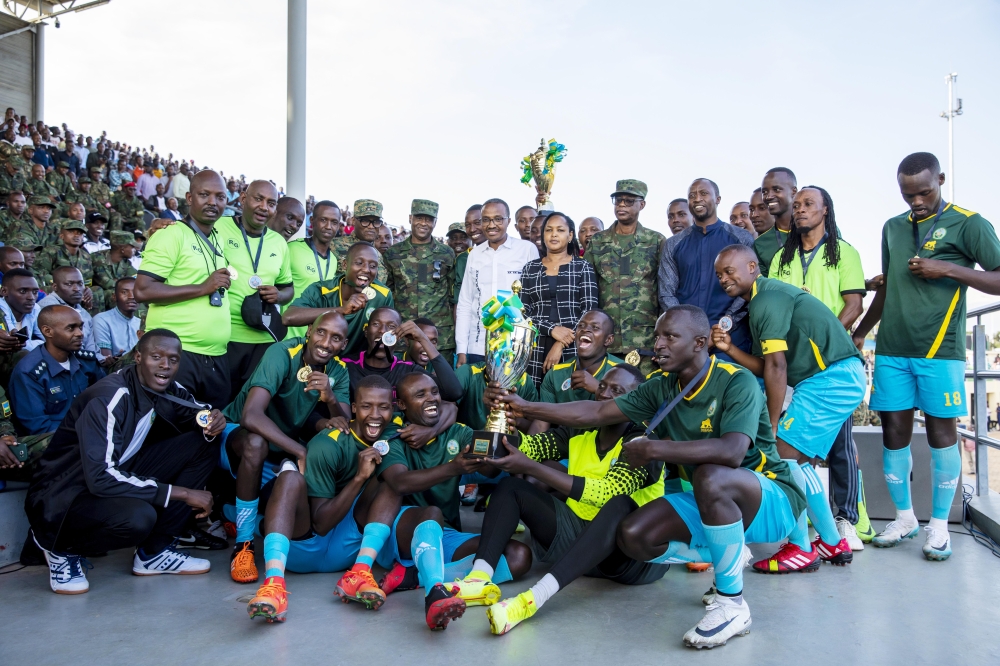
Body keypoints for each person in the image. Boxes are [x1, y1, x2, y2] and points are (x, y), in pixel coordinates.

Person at [497, 306, 804, 647]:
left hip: (770, 499)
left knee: (710, 476)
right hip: (709, 501)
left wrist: (655, 450)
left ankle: (732, 605)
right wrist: (525, 407)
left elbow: (731, 452)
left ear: (700, 343)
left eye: (670, 336)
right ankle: (728, 556)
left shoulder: (736, 381)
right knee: (633, 536)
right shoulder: (661, 386)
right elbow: (597, 412)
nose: (658, 345)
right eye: (658, 336)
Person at [852, 152, 1000, 560]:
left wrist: (947, 269)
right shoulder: (893, 227)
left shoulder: (969, 223)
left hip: (940, 349)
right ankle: (904, 518)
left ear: (941, 179)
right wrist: (862, 332)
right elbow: (888, 286)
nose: (915, 201)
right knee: (893, 432)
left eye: (923, 192)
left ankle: (939, 526)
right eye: (907, 194)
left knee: (940, 434)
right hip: (893, 348)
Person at [449, 364, 668, 617]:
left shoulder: (644, 442)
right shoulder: (582, 429)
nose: (605, 394)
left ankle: (535, 597)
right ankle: (479, 578)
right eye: (603, 386)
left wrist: (531, 467)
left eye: (617, 390)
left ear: (637, 400)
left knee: (619, 504)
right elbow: (532, 446)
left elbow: (605, 493)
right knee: (511, 487)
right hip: (578, 542)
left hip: (628, 557)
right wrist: (496, 426)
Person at [25, 329, 225, 594]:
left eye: (173, 359)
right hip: (65, 494)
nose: (165, 365)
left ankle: (154, 553)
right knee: (137, 519)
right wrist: (184, 493)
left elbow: (197, 411)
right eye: (156, 357)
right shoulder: (109, 397)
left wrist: (214, 419)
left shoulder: (165, 387)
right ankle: (59, 547)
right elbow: (100, 477)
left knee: (202, 443)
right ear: (138, 357)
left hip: (113, 474)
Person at [333, 373, 531, 628]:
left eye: (434, 392)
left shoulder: (457, 432)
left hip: (443, 533)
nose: (432, 399)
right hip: (398, 532)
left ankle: (413, 575)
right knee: (432, 512)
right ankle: (434, 593)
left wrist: (500, 433)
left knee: (518, 555)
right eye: (420, 394)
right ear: (401, 406)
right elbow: (399, 483)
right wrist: (454, 467)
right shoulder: (392, 435)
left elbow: (490, 470)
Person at [712, 244, 865, 573]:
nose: (723, 279)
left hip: (830, 378)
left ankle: (800, 548)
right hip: (833, 378)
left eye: (730, 271)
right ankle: (830, 541)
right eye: (719, 275)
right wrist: (729, 349)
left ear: (753, 266)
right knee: (799, 462)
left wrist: (770, 424)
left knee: (778, 456)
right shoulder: (761, 299)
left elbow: (778, 368)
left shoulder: (767, 298)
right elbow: (766, 364)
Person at [767, 186, 873, 548]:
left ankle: (844, 520)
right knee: (800, 452)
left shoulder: (844, 252)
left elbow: (854, 306)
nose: (800, 210)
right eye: (796, 205)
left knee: (840, 446)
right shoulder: (782, 258)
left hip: (829, 364)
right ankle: (814, 526)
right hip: (794, 365)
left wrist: (824, 343)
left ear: (825, 209)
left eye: (808, 204)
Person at [221, 311, 352, 583]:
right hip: (236, 435)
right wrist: (300, 451)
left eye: (336, 338)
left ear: (344, 345)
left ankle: (233, 514)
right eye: (321, 332)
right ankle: (243, 545)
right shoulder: (281, 352)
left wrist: (329, 397)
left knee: (287, 504)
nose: (326, 342)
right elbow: (251, 416)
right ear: (308, 331)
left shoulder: (338, 370)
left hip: (280, 449)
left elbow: (345, 424)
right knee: (256, 445)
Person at [134, 169, 233, 405]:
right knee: (172, 433)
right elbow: (143, 290)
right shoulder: (171, 235)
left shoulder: (218, 236)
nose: (212, 202)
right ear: (189, 198)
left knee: (210, 432)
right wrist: (202, 288)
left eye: (220, 197)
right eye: (204, 195)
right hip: (177, 355)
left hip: (215, 356)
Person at [659, 179, 755, 364]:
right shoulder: (673, 244)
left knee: (729, 389)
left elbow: (749, 288)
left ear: (717, 199)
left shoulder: (741, 238)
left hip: (731, 338)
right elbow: (666, 293)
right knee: (687, 391)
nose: (697, 199)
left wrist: (722, 327)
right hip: (686, 341)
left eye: (703, 193)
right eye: (692, 195)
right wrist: (687, 329)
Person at [215, 180, 293, 398]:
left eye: (271, 203)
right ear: (242, 198)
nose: (264, 207)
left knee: (250, 407)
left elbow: (288, 288)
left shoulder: (278, 242)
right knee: (221, 404)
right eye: (258, 199)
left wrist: (278, 295)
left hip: (264, 339)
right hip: (224, 337)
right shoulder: (218, 227)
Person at [583, 180, 664, 374]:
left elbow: (664, 289)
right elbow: (586, 288)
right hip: (606, 340)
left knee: (645, 397)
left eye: (628, 201)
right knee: (605, 396)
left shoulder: (655, 241)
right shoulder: (598, 241)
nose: (621, 205)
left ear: (641, 204)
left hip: (644, 341)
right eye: (618, 200)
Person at [455, 198, 539, 366]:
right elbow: (465, 303)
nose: (491, 225)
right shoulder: (474, 254)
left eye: (498, 219)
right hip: (477, 346)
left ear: (508, 221)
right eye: (486, 220)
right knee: (477, 392)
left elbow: (536, 300)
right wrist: (462, 350)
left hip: (513, 344)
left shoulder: (526, 250)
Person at [519, 213, 598, 387]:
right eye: (549, 230)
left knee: (568, 396)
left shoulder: (582, 267)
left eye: (560, 230)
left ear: (570, 236)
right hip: (535, 344)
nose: (554, 234)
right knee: (533, 398)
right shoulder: (530, 268)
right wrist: (551, 329)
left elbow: (590, 313)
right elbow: (521, 312)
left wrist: (560, 344)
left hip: (574, 344)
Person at [283, 243, 393, 358]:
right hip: (320, 359)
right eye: (359, 263)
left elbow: (388, 335)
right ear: (345, 265)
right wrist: (340, 310)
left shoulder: (383, 295)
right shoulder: (322, 290)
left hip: (357, 366)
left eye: (373, 266)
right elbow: (288, 318)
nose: (366, 269)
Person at [9, 305, 105, 435]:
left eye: (80, 327)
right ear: (48, 331)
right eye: (70, 328)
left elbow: (105, 396)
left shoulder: (86, 361)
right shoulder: (29, 372)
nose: (80, 333)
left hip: (89, 429)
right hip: (55, 439)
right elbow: (37, 426)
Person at [384, 199, 457, 361]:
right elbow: (387, 293)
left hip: (439, 336)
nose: (423, 223)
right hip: (403, 335)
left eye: (429, 219)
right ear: (410, 218)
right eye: (419, 218)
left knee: (438, 382)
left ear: (435, 222)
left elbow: (453, 296)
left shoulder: (446, 253)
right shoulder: (393, 253)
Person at [536, 309, 622, 413]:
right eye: (581, 325)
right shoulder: (555, 374)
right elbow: (542, 423)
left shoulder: (622, 372)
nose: (585, 329)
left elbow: (631, 415)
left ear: (608, 340)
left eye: (595, 327)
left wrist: (599, 389)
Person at [285, 199, 337, 339]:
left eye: (334, 222)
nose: (328, 226)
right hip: (288, 335)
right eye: (323, 220)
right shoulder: (292, 249)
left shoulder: (334, 260)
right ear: (312, 221)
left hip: (317, 340)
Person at [35, 219, 104, 314]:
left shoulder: (86, 255)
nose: (76, 235)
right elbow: (40, 275)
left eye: (79, 233)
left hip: (79, 291)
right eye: (72, 232)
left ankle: (91, 323)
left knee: (96, 291)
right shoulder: (51, 251)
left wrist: (86, 289)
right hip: (56, 289)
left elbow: (88, 280)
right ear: (62, 235)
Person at [37, 267, 99, 353]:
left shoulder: (84, 313)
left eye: (80, 284)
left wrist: (102, 359)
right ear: (55, 287)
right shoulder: (48, 308)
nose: (76, 289)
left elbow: (91, 348)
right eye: (69, 284)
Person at [330, 199, 389, 285]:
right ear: (353, 221)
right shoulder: (333, 245)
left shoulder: (378, 255)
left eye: (376, 222)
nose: (371, 226)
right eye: (365, 221)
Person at [754, 167, 798, 277]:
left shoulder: (818, 230)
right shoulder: (760, 244)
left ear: (794, 191)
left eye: (776, 189)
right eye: (765, 192)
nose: (768, 196)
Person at [92, 277, 140, 361]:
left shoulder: (141, 323)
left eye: (135, 292)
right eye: (124, 292)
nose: (131, 296)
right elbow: (107, 361)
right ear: (114, 297)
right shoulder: (102, 320)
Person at [0, 268, 43, 351]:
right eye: (23, 291)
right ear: (4, 291)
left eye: (35, 292)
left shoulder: (35, 308)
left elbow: (50, 339)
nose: (31, 297)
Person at [93, 231, 139, 307]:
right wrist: (121, 283)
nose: (135, 250)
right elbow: (106, 283)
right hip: (100, 297)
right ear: (122, 248)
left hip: (119, 292)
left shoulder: (125, 262)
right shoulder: (98, 258)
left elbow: (135, 280)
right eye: (132, 247)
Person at [453, 204, 484, 306]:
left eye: (477, 223)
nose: (472, 229)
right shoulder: (462, 260)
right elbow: (460, 301)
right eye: (467, 225)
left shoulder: (513, 252)